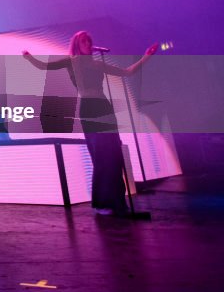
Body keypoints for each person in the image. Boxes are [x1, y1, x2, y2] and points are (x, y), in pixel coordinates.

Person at [23, 32, 157, 216]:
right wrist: (29, 58)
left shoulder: (97, 64)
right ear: (77, 44)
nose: (88, 43)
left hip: (104, 107)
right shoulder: (72, 61)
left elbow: (127, 72)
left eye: (89, 40)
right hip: (89, 107)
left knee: (114, 153)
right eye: (84, 40)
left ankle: (118, 201)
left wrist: (146, 56)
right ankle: (102, 202)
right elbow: (44, 66)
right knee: (102, 155)